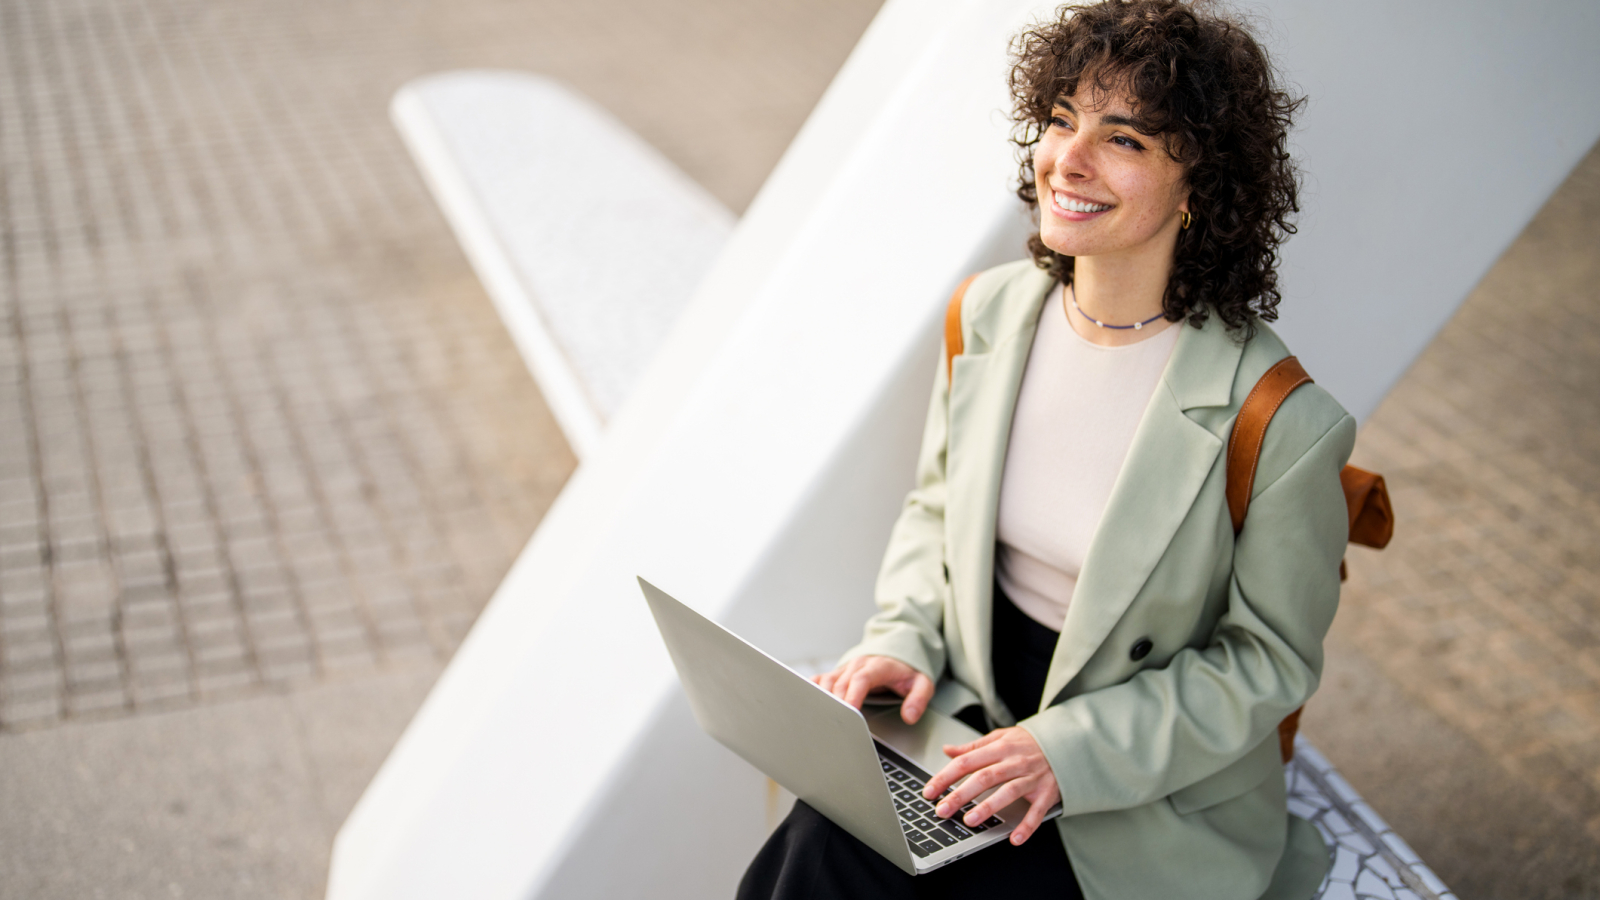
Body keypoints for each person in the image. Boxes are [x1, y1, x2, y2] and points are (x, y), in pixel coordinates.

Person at [737, 1, 1353, 899]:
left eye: (1124, 139)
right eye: (1063, 120)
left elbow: (1267, 662)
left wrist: (1063, 752)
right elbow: (938, 511)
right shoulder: (989, 312)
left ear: (1201, 184)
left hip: (1136, 780)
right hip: (972, 704)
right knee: (821, 844)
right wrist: (904, 638)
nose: (1069, 158)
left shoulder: (1280, 419)